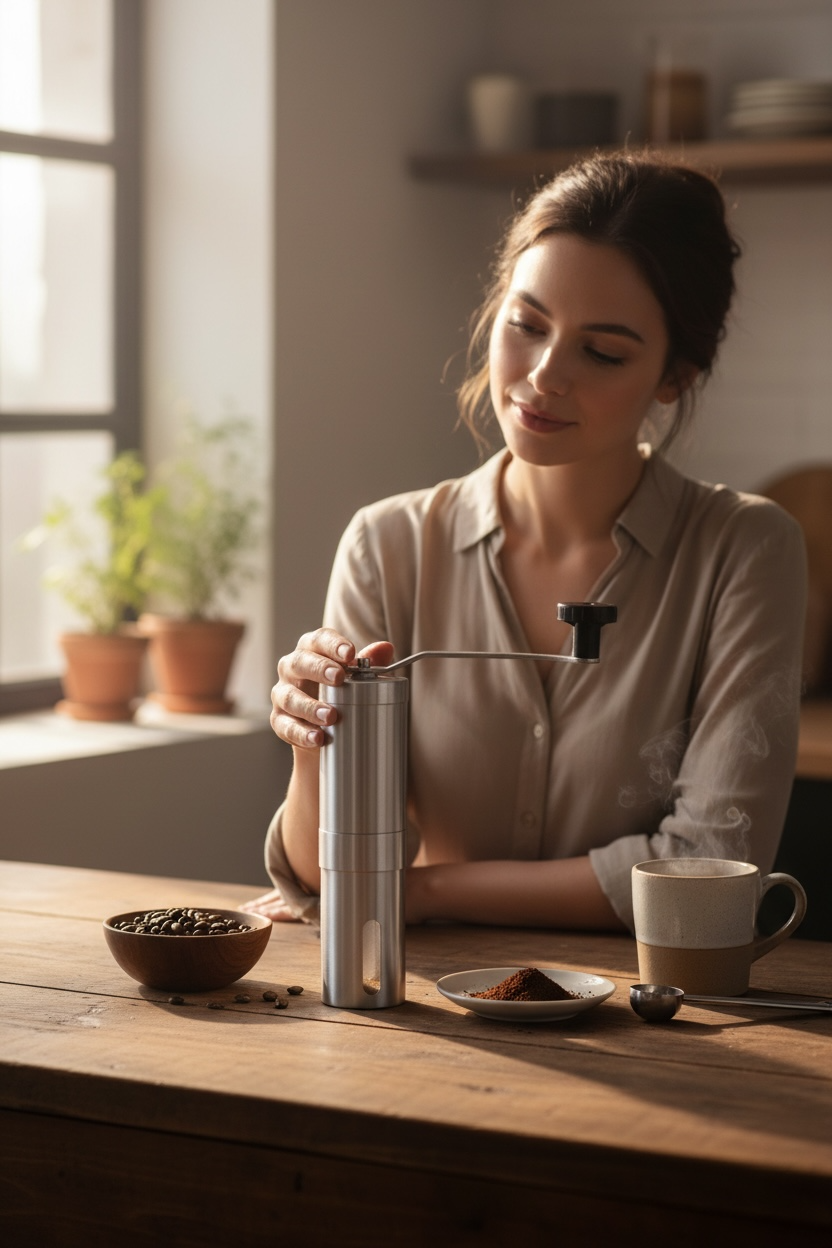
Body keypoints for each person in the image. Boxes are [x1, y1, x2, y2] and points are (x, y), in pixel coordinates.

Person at [243, 151, 807, 933]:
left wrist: (426, 891)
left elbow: (709, 869)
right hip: (419, 1009)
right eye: (526, 325)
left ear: (674, 376)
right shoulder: (388, 544)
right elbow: (326, 876)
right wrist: (313, 741)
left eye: (602, 352)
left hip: (650, 1019)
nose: (544, 375)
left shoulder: (746, 550)